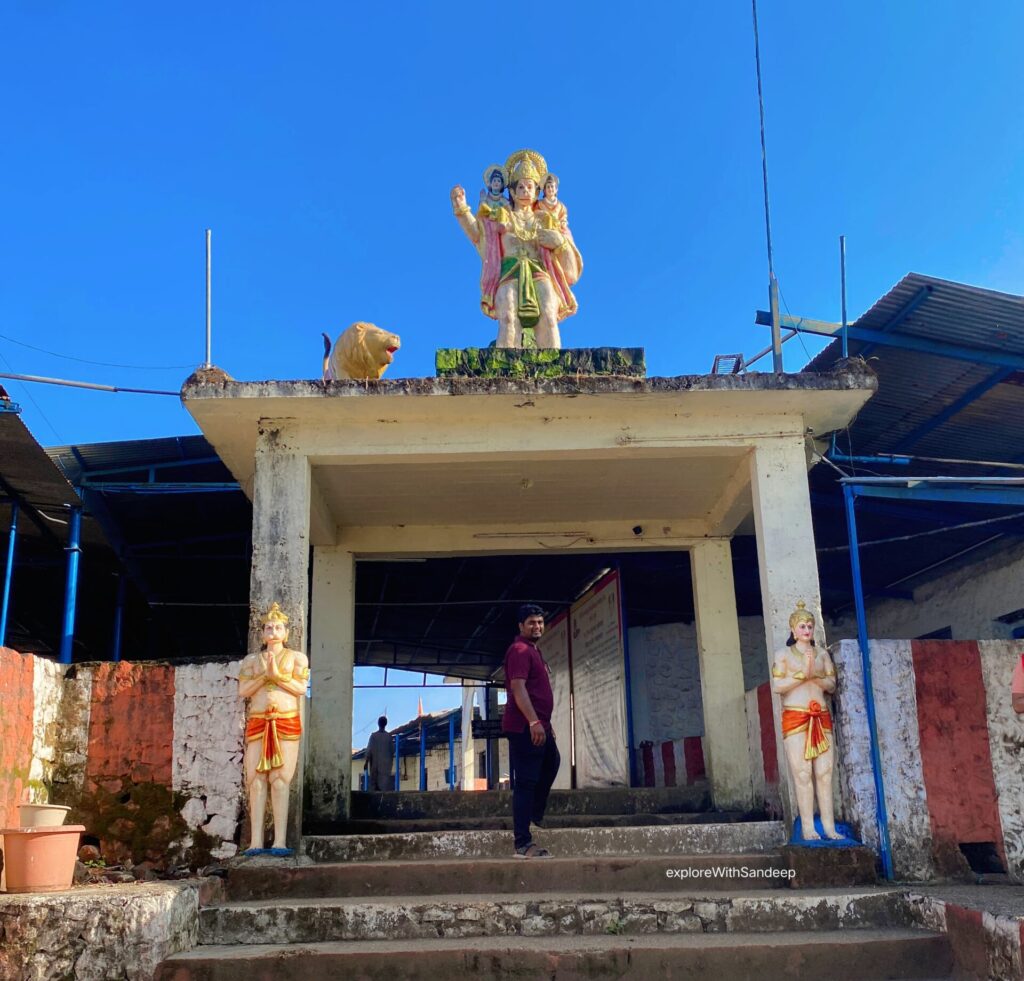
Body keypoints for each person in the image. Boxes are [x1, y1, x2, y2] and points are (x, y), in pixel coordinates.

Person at [451, 148, 581, 349]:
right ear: (511, 191)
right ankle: (505, 370)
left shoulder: (547, 219)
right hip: (509, 272)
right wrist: (461, 209)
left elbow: (571, 268)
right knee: (509, 317)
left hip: (539, 272)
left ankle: (553, 367)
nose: (525, 190)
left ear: (537, 191)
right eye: (520, 187)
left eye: (530, 186)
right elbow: (478, 234)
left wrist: (559, 242)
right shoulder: (501, 216)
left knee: (548, 315)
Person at [238, 602, 310, 856]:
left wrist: (277, 675)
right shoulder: (251, 661)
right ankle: (255, 841)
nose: (272, 630)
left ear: (286, 633)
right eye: (268, 627)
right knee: (255, 780)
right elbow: (243, 691)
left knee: (280, 780)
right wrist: (264, 676)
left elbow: (300, 689)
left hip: (286, 720)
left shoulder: (297, 658)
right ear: (262, 633)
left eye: (277, 627)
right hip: (258, 721)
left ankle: (280, 840)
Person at [771, 601, 843, 841]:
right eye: (802, 626)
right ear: (793, 630)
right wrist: (803, 674)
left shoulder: (822, 654)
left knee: (824, 773)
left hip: (820, 717)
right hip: (796, 717)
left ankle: (829, 827)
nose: (806, 630)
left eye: (810, 626)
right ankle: (808, 827)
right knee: (802, 774)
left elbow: (832, 685)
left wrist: (816, 676)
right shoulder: (783, 655)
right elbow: (778, 686)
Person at [502, 603, 560, 858]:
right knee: (526, 782)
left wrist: (546, 723)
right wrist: (534, 722)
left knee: (552, 762)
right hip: (524, 726)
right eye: (531, 623)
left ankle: (534, 814)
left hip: (540, 724)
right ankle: (522, 843)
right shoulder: (519, 650)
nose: (537, 626)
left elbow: (538, 693)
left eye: (540, 622)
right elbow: (518, 688)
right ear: (520, 626)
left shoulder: (535, 651)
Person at [365, 716, 394, 791]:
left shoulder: (374, 736)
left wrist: (366, 762)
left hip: (375, 766)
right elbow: (392, 751)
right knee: (384, 787)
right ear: (386, 724)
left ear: (378, 723)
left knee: (374, 787)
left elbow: (369, 750)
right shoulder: (389, 737)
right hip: (385, 768)